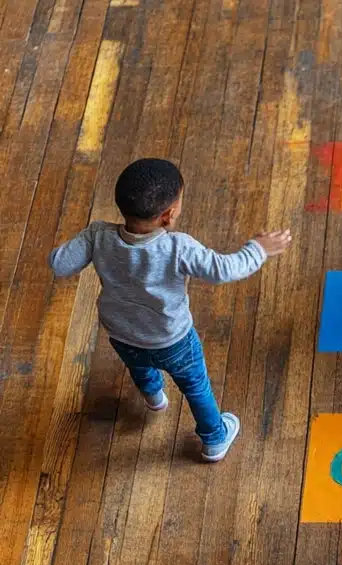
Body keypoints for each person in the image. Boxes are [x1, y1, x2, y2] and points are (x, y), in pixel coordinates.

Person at [48, 158, 291, 461]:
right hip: (173, 339)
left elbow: (60, 263)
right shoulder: (178, 247)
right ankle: (215, 438)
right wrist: (259, 249)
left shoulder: (98, 234)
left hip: (122, 332)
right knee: (195, 386)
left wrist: (80, 242)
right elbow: (224, 270)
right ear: (169, 215)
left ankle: (153, 397)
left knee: (139, 365)